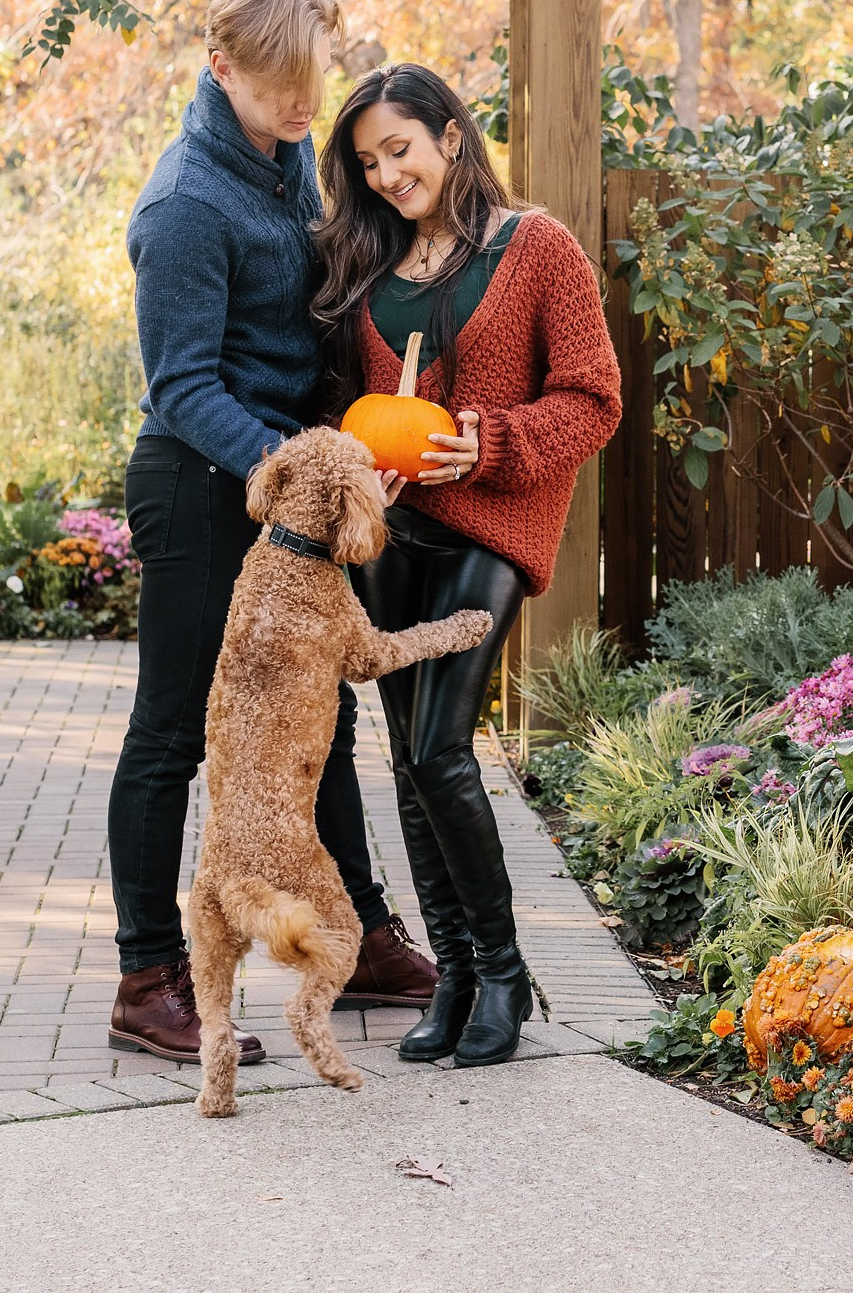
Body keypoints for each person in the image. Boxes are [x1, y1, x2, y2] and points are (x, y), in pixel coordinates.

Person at [107, 0, 440, 1064]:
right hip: (204, 490)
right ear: (220, 69)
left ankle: (358, 935)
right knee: (173, 734)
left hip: (288, 493)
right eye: (283, 92)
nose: (308, 113)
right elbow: (185, 387)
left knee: (320, 723)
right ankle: (149, 975)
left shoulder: (284, 152)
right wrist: (304, 475)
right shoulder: (184, 209)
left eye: (313, 88)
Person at [313, 62, 620, 1066]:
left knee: (443, 743)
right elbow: (366, 413)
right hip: (396, 543)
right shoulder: (372, 267)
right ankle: (449, 977)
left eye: (399, 149)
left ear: (450, 136)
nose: (387, 175)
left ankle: (501, 973)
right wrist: (369, 477)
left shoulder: (537, 250)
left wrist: (484, 444)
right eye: (368, 163)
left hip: (490, 533)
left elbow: (592, 399)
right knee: (405, 757)